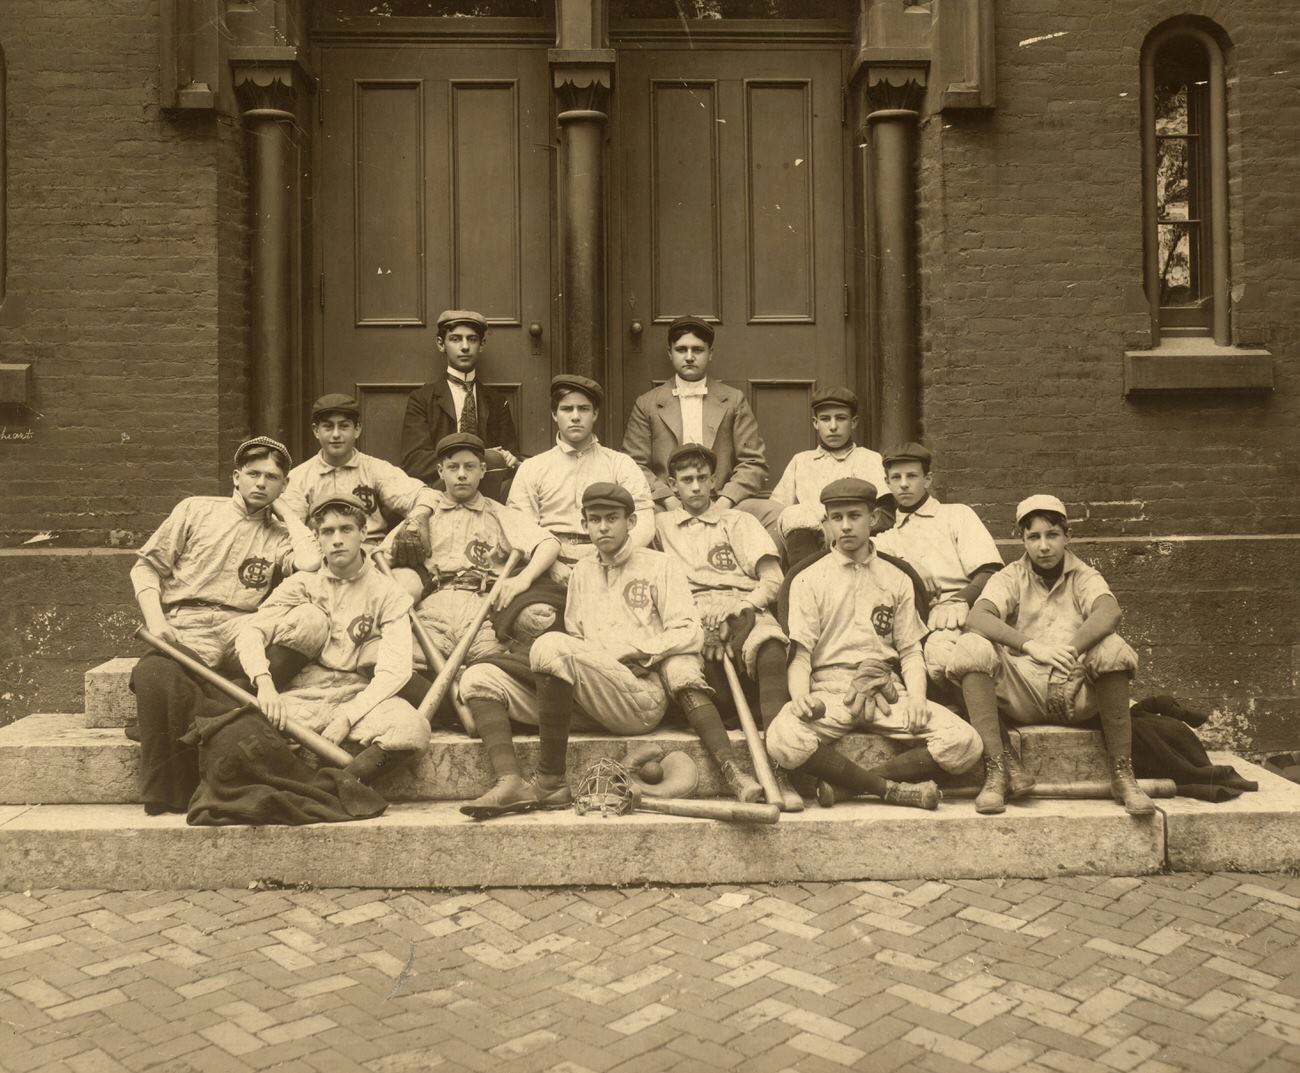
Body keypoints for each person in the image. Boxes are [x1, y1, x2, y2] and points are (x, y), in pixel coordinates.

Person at [458, 482, 761, 818]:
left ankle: (550, 780)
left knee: (550, 645)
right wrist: (592, 661)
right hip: (589, 693)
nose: (603, 527)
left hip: (638, 696)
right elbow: (575, 633)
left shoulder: (659, 565)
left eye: (612, 518)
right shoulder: (582, 571)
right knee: (478, 677)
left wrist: (633, 649)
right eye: (594, 519)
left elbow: (689, 633)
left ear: (631, 522)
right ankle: (510, 781)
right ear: (584, 524)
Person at [128, 437, 325, 812]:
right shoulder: (196, 510)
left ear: (284, 486)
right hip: (188, 623)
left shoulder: (281, 535)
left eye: (272, 478)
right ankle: (225, 704)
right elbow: (146, 567)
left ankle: (208, 700)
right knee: (155, 670)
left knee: (313, 622)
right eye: (253, 474)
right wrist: (157, 622)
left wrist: (288, 513)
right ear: (236, 477)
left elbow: (311, 563)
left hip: (241, 628)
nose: (261, 484)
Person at [764, 478, 983, 809]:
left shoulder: (896, 577)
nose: (846, 526)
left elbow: (910, 651)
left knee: (965, 742)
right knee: (783, 737)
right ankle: (889, 790)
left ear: (873, 517)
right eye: (837, 518)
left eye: (855, 515)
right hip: (832, 689)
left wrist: (918, 700)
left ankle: (850, 788)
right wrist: (800, 697)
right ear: (826, 523)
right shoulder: (809, 578)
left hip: (887, 690)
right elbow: (800, 656)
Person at [948, 495, 1155, 816]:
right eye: (1034, 537)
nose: (1044, 546)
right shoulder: (1009, 576)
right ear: (1023, 540)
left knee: (1112, 646)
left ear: (1067, 536)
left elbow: (1109, 611)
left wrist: (1071, 652)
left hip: (1075, 691)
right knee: (971, 646)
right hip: (1023, 693)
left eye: (1052, 535)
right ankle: (997, 770)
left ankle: (1123, 774)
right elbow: (979, 616)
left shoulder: (1084, 575)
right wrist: (1032, 647)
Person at [235, 494, 431, 785]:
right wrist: (264, 682)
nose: (337, 539)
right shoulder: (302, 583)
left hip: (359, 694)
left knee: (413, 727)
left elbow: (395, 671)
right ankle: (319, 785)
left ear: (363, 533)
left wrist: (348, 717)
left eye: (346, 529)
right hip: (305, 691)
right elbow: (251, 631)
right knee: (242, 734)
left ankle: (333, 786)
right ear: (317, 538)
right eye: (328, 532)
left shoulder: (388, 592)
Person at [654, 443, 799, 810]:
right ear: (673, 485)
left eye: (703, 478)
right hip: (687, 615)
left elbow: (772, 580)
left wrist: (740, 607)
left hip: (741, 606)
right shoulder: (660, 527)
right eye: (687, 480)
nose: (697, 487)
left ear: (715, 480)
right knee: (680, 670)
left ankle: (782, 769)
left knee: (770, 645)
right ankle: (732, 770)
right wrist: (695, 619)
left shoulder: (739, 522)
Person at [384, 432, 560, 678]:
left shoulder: (499, 513)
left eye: (470, 467)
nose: (462, 474)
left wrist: (523, 579)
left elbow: (548, 543)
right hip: (433, 607)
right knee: (405, 669)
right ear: (440, 471)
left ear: (483, 470)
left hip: (483, 609)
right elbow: (379, 558)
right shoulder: (425, 516)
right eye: (453, 467)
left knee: (494, 673)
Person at [622, 315, 781, 543]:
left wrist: (726, 501)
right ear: (670, 353)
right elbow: (634, 464)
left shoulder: (733, 400)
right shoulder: (648, 403)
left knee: (775, 515)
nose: (689, 357)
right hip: (668, 502)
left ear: (710, 353)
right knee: (637, 520)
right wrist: (668, 500)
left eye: (697, 350)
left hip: (720, 498)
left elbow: (753, 462)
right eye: (681, 349)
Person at [279, 392, 437, 596]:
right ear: (316, 431)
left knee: (408, 586)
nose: (336, 434)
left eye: (344, 426)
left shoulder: (375, 469)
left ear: (357, 429)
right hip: (326, 561)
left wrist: (416, 519)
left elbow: (425, 495)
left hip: (374, 559)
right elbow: (290, 530)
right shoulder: (300, 477)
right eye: (328, 427)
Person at [871, 442, 1004, 683]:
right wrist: (910, 566)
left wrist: (960, 600)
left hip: (964, 611)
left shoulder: (956, 515)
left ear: (928, 479)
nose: (903, 484)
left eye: (912, 476)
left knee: (946, 656)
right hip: (913, 620)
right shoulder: (886, 538)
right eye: (896, 477)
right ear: (887, 483)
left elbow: (990, 571)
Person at [508, 373, 654, 582]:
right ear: (554, 414)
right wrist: (551, 565)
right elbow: (520, 526)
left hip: (611, 562)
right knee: (534, 614)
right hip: (550, 565)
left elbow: (644, 521)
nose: (575, 416)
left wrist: (612, 558)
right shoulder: (533, 468)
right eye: (567, 409)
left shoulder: (621, 464)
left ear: (595, 414)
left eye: (583, 409)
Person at [400, 309, 520, 501]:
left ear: (482, 344)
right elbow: (414, 462)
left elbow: (510, 455)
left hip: (489, 494)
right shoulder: (422, 399)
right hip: (441, 493)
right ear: (441, 344)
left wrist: (512, 460)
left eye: (472, 339)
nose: (465, 347)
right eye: (455, 339)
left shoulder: (497, 401)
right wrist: (483, 458)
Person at [769, 386, 889, 566]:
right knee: (794, 513)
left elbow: (885, 516)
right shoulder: (801, 461)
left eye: (841, 418)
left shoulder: (869, 459)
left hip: (857, 545)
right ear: (815, 423)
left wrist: (836, 529)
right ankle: (803, 582)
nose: (833, 427)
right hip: (809, 550)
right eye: (825, 419)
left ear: (854, 422)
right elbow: (778, 514)